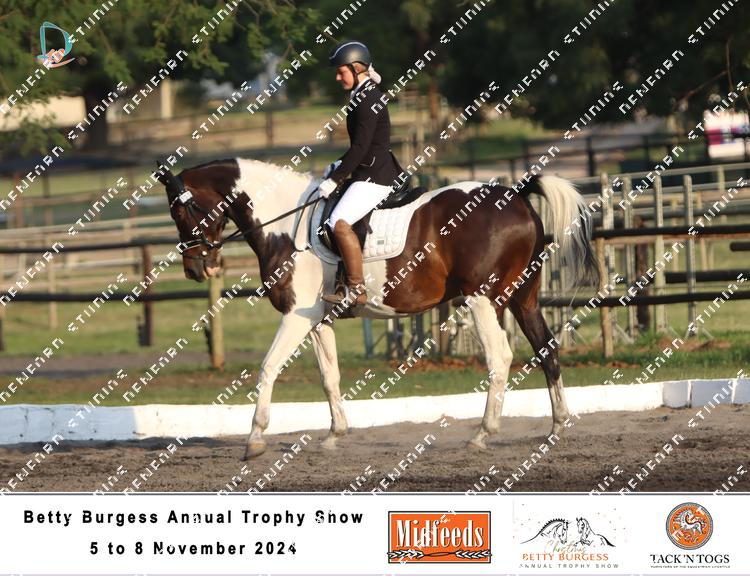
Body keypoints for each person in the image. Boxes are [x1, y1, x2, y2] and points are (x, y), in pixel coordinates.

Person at [318, 40, 401, 306]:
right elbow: (360, 146)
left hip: (375, 175)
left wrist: (336, 178)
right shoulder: (363, 94)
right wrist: (338, 165)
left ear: (356, 68)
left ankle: (356, 289)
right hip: (368, 169)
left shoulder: (367, 99)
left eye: (340, 71)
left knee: (339, 222)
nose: (337, 77)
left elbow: (362, 147)